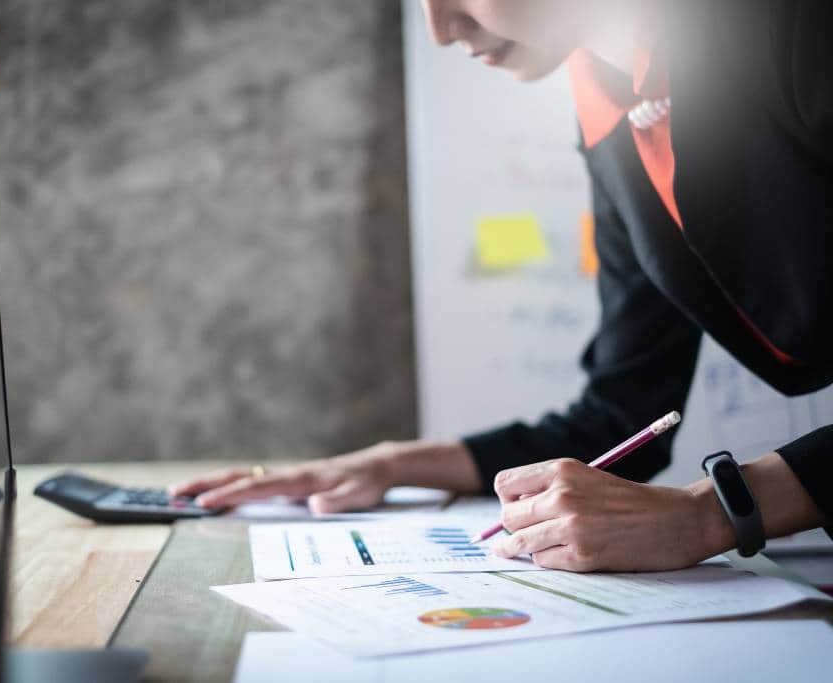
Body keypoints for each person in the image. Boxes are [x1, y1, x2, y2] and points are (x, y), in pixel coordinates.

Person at [169, 0, 832, 572]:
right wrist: (389, 465)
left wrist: (710, 512)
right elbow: (623, 418)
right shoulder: (610, 108)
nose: (441, 28)